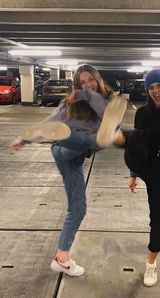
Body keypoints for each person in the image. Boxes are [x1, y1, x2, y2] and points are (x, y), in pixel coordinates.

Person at [11, 64, 127, 277]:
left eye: (90, 80)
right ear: (76, 85)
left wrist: (85, 95)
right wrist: (24, 139)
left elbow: (105, 111)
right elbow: (50, 120)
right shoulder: (69, 104)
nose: (87, 85)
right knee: (91, 139)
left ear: (98, 79)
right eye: (81, 83)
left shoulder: (106, 102)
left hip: (76, 157)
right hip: (62, 150)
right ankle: (59, 136)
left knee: (78, 209)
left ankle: (61, 258)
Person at [97, 68, 160, 287]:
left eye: (159, 86)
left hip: (159, 164)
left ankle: (151, 261)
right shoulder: (142, 113)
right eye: (152, 87)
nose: (156, 91)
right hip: (141, 159)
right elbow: (139, 144)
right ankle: (117, 136)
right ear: (148, 90)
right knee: (137, 137)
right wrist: (133, 174)